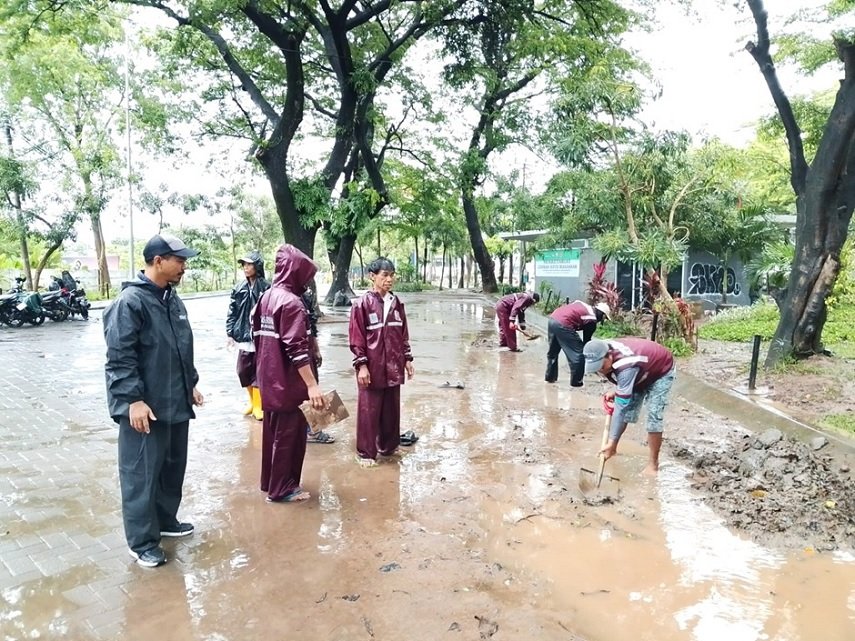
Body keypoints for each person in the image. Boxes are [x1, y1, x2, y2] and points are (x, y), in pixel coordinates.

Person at [103, 233, 205, 568]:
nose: (184, 266)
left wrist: (190, 384)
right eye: (179, 260)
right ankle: (142, 541)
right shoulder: (130, 302)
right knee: (141, 475)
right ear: (158, 261)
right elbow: (120, 357)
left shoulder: (171, 299)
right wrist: (133, 400)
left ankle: (165, 521)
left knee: (172, 467)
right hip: (144, 408)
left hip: (174, 401)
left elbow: (181, 347)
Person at [252, 244, 326, 503]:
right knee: (290, 437)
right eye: (305, 276)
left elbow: (258, 338)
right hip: (289, 382)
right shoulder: (292, 303)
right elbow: (296, 349)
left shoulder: (266, 297)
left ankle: (270, 481)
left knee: (272, 433)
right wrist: (312, 385)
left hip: (269, 379)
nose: (307, 282)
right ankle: (283, 488)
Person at [349, 257, 415, 467]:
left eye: (391, 275)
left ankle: (388, 447)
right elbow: (356, 337)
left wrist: (407, 359)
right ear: (372, 276)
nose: (389, 279)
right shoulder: (362, 304)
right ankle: (366, 453)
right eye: (385, 275)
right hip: (372, 367)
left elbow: (403, 335)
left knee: (391, 410)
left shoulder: (397, 304)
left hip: (394, 366)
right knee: (369, 411)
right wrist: (361, 365)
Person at [582, 337, 676, 474]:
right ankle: (612, 449)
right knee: (627, 412)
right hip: (641, 368)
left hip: (661, 370)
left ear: (609, 355)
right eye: (597, 369)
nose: (601, 372)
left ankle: (653, 465)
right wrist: (620, 391)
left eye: (602, 367)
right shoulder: (599, 349)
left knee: (654, 417)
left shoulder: (626, 366)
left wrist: (611, 441)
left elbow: (620, 408)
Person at [226, 251, 270, 421]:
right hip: (243, 335)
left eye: (249, 264)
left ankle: (259, 405)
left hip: (260, 336)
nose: (246, 267)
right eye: (244, 264)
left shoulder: (266, 287)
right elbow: (232, 311)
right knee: (243, 370)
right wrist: (230, 332)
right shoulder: (238, 288)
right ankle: (252, 402)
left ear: (257, 266)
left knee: (258, 371)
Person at [544, 300, 611, 386]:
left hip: (553, 318)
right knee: (578, 354)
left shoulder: (583, 304)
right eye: (604, 318)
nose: (602, 321)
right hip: (564, 323)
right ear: (603, 315)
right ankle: (577, 383)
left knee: (553, 352)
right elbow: (586, 345)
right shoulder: (592, 320)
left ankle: (550, 377)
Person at [303, 288, 335, 444]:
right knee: (307, 389)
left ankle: (312, 429)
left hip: (305, 351)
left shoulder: (304, 296)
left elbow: (311, 326)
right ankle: (310, 431)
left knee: (311, 389)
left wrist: (316, 349)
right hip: (294, 355)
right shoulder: (282, 297)